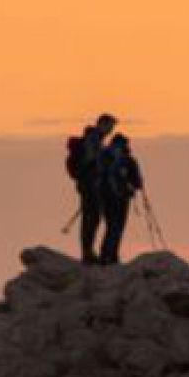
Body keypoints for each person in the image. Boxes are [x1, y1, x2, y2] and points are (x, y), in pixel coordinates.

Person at [73, 113, 118, 264]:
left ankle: (88, 252)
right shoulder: (93, 140)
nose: (111, 131)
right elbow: (91, 161)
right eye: (110, 126)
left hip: (90, 183)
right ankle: (87, 253)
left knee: (93, 217)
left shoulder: (96, 140)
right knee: (91, 218)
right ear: (102, 124)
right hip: (90, 184)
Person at [99, 133, 144, 265]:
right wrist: (132, 186)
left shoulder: (105, 157)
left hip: (106, 197)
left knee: (111, 226)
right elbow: (138, 182)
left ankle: (106, 255)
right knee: (117, 227)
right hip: (121, 198)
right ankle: (111, 256)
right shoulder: (128, 160)